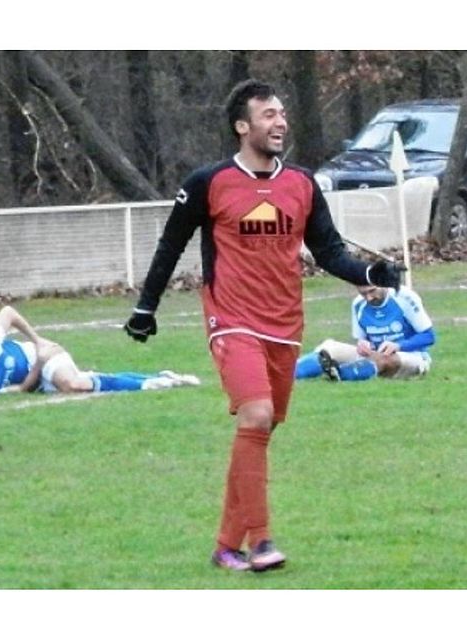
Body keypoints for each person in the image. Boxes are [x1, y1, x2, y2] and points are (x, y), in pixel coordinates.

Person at [122, 79, 403, 573]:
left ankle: (225, 545)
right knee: (254, 417)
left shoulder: (300, 183)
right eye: (268, 115)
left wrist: (370, 273)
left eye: (282, 114)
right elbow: (170, 246)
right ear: (242, 126)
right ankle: (261, 542)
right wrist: (146, 307)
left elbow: (329, 250)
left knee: (261, 429)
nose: (280, 122)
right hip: (231, 319)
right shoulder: (208, 183)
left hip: (284, 323)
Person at [0, 305, 198, 394]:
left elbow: (8, 313)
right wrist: (38, 366)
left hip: (44, 355)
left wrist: (38, 342)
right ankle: (160, 377)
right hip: (37, 374)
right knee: (82, 384)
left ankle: (152, 384)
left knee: (73, 383)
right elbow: (21, 390)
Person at [294, 283, 435, 382]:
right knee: (329, 347)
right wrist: (363, 344)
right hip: (373, 356)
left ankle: (341, 374)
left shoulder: (405, 297)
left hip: (412, 357)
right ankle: (287, 374)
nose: (368, 298)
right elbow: (362, 339)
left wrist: (399, 346)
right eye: (363, 293)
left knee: (386, 359)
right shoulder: (358, 304)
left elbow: (429, 336)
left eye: (372, 291)